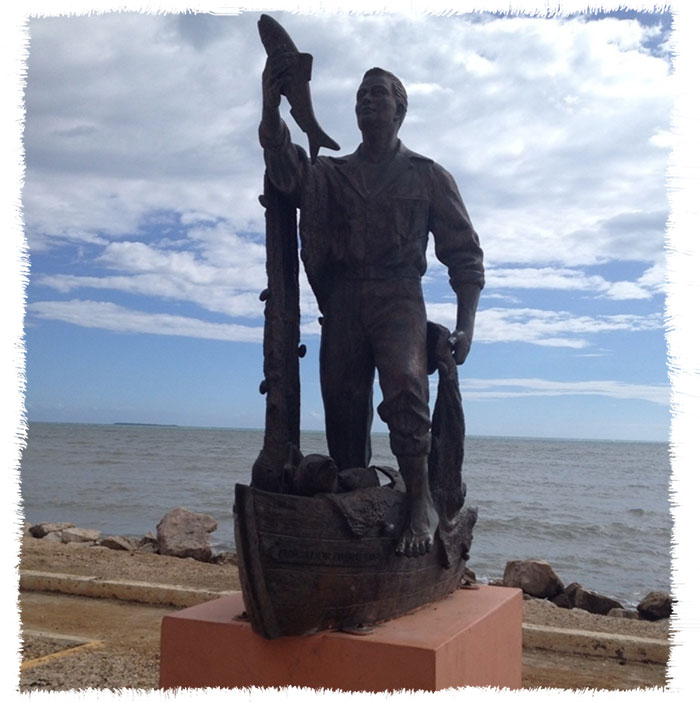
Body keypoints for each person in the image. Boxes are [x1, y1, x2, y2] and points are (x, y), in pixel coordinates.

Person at [259, 57, 484, 557]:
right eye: (361, 95)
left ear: (399, 109)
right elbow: (284, 169)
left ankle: (420, 500)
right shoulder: (332, 172)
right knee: (342, 403)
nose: (366, 101)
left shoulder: (427, 176)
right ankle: (356, 501)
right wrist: (271, 107)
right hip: (343, 301)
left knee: (406, 389)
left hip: (399, 296)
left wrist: (466, 325)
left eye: (377, 94)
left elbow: (464, 256)